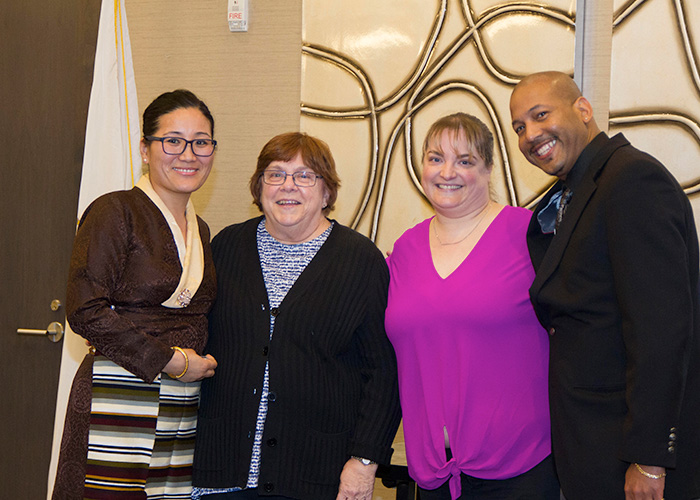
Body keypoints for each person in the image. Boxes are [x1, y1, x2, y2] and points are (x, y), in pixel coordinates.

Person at [509, 71, 700, 500]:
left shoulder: (631, 180)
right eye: (519, 127)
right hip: (591, 447)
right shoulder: (572, 193)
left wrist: (650, 459)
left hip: (628, 456)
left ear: (583, 110)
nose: (530, 135)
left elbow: (662, 332)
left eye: (541, 115)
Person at [191, 132, 401, 500]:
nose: (288, 186)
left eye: (305, 175)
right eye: (275, 174)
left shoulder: (360, 262)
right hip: (220, 470)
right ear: (259, 188)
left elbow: (384, 373)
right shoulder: (225, 247)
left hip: (316, 476)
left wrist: (365, 461)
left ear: (327, 192)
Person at [52, 89, 219, 499]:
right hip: (119, 391)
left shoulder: (203, 230)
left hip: (181, 401)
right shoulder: (114, 211)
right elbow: (85, 310)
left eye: (201, 142)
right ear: (145, 149)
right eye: (173, 141)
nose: (188, 154)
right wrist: (172, 361)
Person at [385, 113, 559, 500]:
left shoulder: (531, 235)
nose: (447, 171)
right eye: (435, 158)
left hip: (520, 469)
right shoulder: (404, 250)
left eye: (465, 160)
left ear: (489, 169)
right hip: (433, 474)